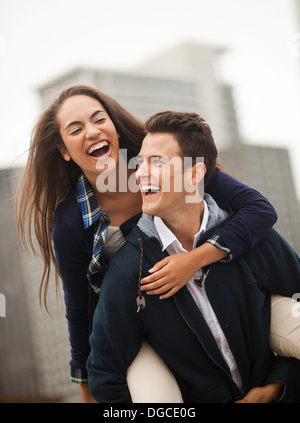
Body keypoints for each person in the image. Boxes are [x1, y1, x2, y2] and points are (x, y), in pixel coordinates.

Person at [17, 85, 279, 403]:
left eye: (99, 119)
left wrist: (193, 260)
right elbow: (80, 310)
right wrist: (87, 393)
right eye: (76, 129)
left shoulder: (169, 163)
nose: (92, 131)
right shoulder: (72, 221)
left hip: (205, 291)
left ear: (113, 125)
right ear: (64, 150)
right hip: (136, 321)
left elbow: (260, 210)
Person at [87, 111, 300, 403]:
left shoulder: (256, 241)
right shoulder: (128, 272)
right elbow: (104, 377)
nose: (141, 173)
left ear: (195, 173)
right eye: (140, 162)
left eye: (157, 162)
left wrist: (276, 385)